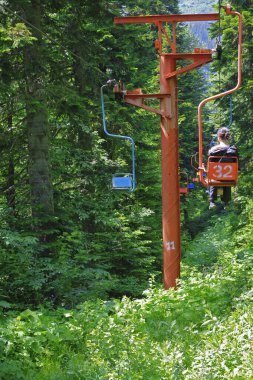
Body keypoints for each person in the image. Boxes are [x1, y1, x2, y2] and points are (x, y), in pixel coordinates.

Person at [208, 127, 238, 209]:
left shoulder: (213, 150)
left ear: (218, 137)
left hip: (216, 177)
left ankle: (212, 201)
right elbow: (237, 164)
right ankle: (226, 202)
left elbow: (211, 164)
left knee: (213, 180)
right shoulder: (234, 150)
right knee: (227, 181)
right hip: (229, 177)